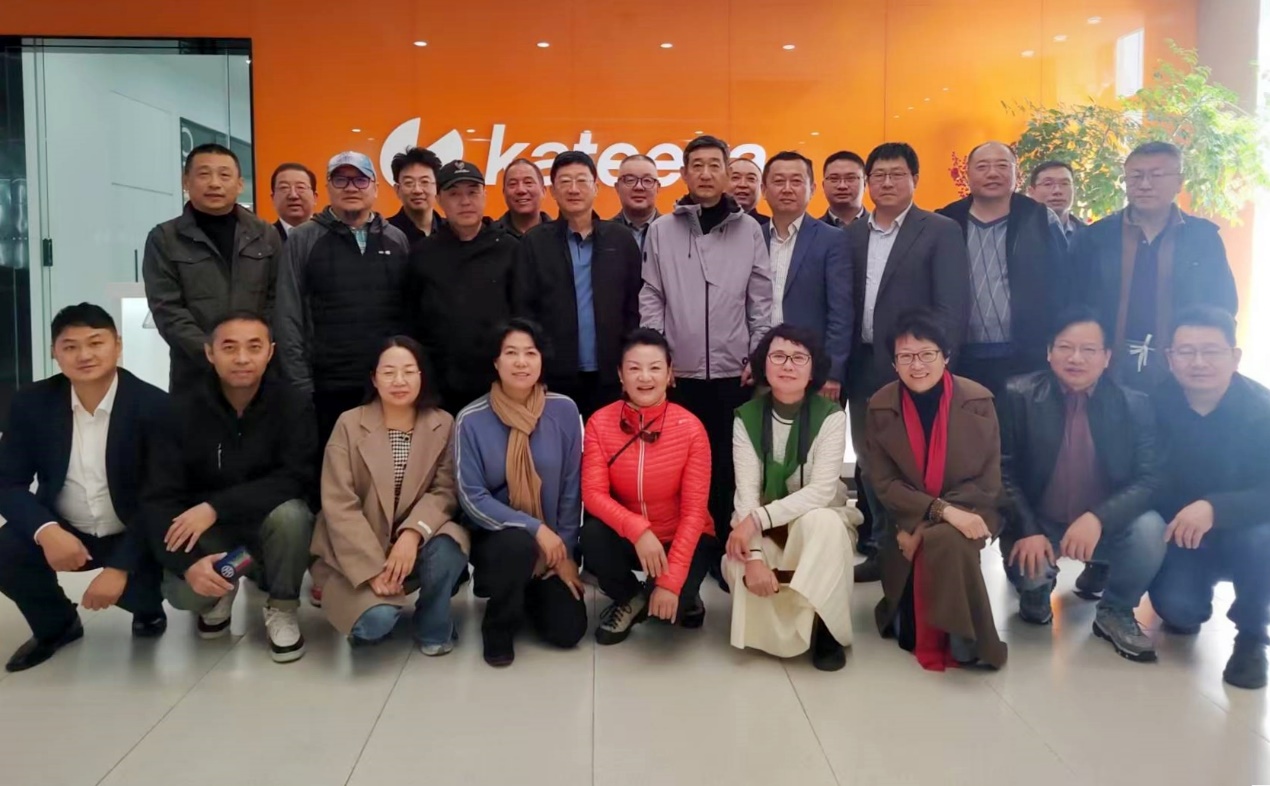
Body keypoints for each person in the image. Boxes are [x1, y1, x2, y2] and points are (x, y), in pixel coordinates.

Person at [0, 304, 169, 672]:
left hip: (132, 531)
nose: (84, 355)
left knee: (145, 590)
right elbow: (8, 482)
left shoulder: (154, 406)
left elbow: (161, 499)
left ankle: (146, 606)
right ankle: (58, 625)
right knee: (6, 550)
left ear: (117, 345)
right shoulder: (31, 403)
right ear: (54, 352)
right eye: (70, 346)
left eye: (95, 343)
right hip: (66, 526)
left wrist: (120, 568)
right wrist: (46, 531)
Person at [142, 312, 316, 663]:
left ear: (270, 352)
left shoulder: (292, 403)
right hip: (214, 539)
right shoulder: (179, 410)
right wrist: (187, 565)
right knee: (185, 595)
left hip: (266, 536)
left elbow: (296, 477)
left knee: (294, 515)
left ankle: (282, 607)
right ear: (210, 353)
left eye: (254, 347)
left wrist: (215, 507)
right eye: (229, 347)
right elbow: (158, 497)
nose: (242, 358)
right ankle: (222, 588)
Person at [998, 306, 1165, 662]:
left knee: (1151, 528)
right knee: (1033, 600)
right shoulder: (1017, 395)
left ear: (1106, 357)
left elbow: (1150, 479)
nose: (1076, 358)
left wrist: (1098, 518)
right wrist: (1027, 529)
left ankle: (1115, 610)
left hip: (1102, 526)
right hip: (1040, 525)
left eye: (1089, 350)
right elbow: (1003, 470)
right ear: (1049, 352)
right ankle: (1037, 588)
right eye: (1065, 347)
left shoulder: (1134, 405)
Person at [846, 142, 970, 583]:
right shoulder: (852, 234)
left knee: (915, 465)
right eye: (878, 175)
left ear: (915, 179)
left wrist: (934, 366)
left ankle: (921, 555)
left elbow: (952, 306)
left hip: (916, 368)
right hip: (862, 365)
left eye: (897, 174)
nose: (887, 182)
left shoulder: (939, 230)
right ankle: (883, 551)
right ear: (868, 182)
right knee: (871, 462)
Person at [641, 134, 772, 548]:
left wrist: (757, 354)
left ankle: (728, 545)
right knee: (682, 464)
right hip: (680, 372)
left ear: (727, 174)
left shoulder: (749, 230)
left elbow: (761, 300)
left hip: (736, 371)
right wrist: (659, 359)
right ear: (683, 174)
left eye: (715, 165)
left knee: (731, 463)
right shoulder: (662, 230)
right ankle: (689, 544)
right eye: (696, 165)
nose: (706, 173)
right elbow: (652, 296)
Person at [310, 336, 470, 653]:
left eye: (409, 371)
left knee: (450, 545)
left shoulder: (443, 423)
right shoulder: (349, 424)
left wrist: (412, 533)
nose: (399, 381)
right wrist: (372, 568)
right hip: (356, 551)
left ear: (422, 376)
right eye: (388, 372)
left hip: (413, 546)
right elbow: (340, 505)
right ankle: (374, 605)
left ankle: (433, 624)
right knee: (374, 624)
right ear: (374, 378)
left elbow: (444, 491)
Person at [867, 309, 1007, 670]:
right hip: (904, 520)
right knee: (907, 634)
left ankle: (965, 635)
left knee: (947, 538)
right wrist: (938, 513)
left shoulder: (978, 401)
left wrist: (928, 528)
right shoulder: (880, 406)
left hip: (971, 511)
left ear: (946, 356)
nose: (917, 365)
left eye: (927, 354)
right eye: (906, 356)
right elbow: (884, 483)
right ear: (894, 363)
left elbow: (986, 481)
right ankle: (961, 632)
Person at [723, 325, 859, 671]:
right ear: (763, 365)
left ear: (813, 369)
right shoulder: (746, 418)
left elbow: (822, 491)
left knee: (824, 522)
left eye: (799, 358)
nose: (788, 365)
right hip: (764, 531)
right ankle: (783, 632)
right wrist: (754, 557)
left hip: (814, 529)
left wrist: (756, 518)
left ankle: (827, 629)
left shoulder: (831, 417)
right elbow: (746, 494)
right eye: (779, 356)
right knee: (739, 559)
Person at [1149, 306, 1270, 689]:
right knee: (1180, 612)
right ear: (1170, 358)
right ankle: (1189, 596)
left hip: (1243, 533)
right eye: (1186, 351)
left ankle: (1251, 637)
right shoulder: (1153, 405)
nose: (1198, 362)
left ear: (1235, 356)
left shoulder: (1262, 409)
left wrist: (1215, 508)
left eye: (1211, 351)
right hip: (1181, 537)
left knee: (1262, 538)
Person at [455, 319, 586, 667]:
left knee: (569, 631)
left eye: (530, 353)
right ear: (496, 362)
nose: (521, 362)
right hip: (498, 543)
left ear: (542, 360)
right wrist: (535, 529)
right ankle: (498, 625)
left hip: (552, 547)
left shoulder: (564, 410)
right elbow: (471, 497)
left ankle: (526, 594)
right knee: (517, 545)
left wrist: (566, 552)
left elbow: (571, 488)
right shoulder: (471, 419)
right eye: (511, 353)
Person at [580, 329, 715, 644]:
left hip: (681, 536)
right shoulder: (599, 422)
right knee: (592, 535)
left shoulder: (691, 428)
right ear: (620, 374)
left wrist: (670, 582)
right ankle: (632, 596)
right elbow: (593, 494)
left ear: (669, 374)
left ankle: (677, 591)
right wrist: (638, 530)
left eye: (655, 368)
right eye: (634, 368)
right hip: (633, 539)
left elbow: (694, 513)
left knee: (669, 614)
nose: (644, 377)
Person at [1070, 141, 1238, 392]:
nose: (1145, 184)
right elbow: (1076, 301)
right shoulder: (1096, 237)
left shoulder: (1203, 238)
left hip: (1179, 360)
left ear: (1179, 182)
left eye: (1157, 175)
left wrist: (1212, 356)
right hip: (1109, 360)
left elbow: (1223, 303)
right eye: (1136, 176)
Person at [274, 151, 412, 447]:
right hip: (326, 386)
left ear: (375, 188)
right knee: (332, 466)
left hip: (386, 384)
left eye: (360, 180)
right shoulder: (303, 239)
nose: (351, 188)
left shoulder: (397, 239)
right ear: (327, 187)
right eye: (341, 180)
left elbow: (408, 313)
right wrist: (300, 384)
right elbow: (288, 313)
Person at [143, 142, 282, 392]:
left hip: (257, 371)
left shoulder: (265, 234)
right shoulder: (165, 238)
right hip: (194, 372)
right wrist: (215, 354)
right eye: (204, 174)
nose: (215, 183)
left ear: (239, 184)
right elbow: (167, 309)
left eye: (224, 175)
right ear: (186, 181)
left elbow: (278, 299)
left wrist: (254, 350)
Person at [513, 151, 641, 419]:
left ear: (596, 187)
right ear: (552, 191)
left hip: (612, 374)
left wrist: (630, 362)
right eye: (565, 181)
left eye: (582, 180)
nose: (574, 189)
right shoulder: (535, 242)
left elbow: (634, 306)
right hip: (555, 376)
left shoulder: (621, 239)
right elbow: (524, 309)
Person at [937, 141, 1069, 398]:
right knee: (970, 422)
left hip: (1027, 354)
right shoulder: (946, 220)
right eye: (982, 167)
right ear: (967, 174)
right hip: (960, 356)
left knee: (1021, 422)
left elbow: (1063, 284)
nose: (992, 173)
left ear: (1016, 173)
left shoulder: (1040, 219)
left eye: (1002, 166)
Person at [413, 160, 520, 414]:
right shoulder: (422, 254)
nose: (465, 201)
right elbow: (412, 318)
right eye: (454, 194)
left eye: (472, 192)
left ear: (485, 195)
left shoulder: (511, 248)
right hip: (440, 388)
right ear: (439, 199)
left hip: (499, 383)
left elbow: (524, 314)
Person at [760, 150, 853, 402]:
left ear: (812, 189)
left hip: (812, 371)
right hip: (761, 368)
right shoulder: (753, 237)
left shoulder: (832, 239)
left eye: (796, 181)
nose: (787, 189)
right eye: (778, 181)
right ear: (764, 189)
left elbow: (841, 313)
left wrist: (832, 372)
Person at [387, 146, 446, 248]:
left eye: (425, 182)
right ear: (397, 189)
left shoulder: (452, 231)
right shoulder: (384, 233)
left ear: (437, 187)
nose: (417, 190)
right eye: (409, 183)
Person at [612, 154, 661, 250]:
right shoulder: (602, 235)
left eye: (647, 180)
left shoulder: (674, 232)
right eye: (630, 180)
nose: (639, 187)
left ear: (657, 188)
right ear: (617, 187)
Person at [1027, 160, 1084, 242]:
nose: (1057, 191)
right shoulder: (1016, 234)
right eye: (1048, 184)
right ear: (1031, 192)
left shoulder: (1090, 237)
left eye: (1064, 183)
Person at [496, 158, 551, 239]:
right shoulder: (490, 237)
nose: (521, 190)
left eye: (528, 182)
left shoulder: (561, 236)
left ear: (543, 191)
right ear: (504, 193)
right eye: (513, 184)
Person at [270, 162, 318, 240]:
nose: (293, 195)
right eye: (284, 187)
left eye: (300, 187)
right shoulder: (263, 240)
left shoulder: (332, 236)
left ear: (314, 197)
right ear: (273, 198)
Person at [821, 150, 869, 227]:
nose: (842, 186)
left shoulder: (882, 228)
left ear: (865, 184)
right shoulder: (808, 231)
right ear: (823, 185)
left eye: (850, 178)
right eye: (834, 179)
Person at [728, 157, 770, 227]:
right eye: (735, 177)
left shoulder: (771, 228)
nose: (743, 184)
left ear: (762, 188)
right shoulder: (709, 224)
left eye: (751, 178)